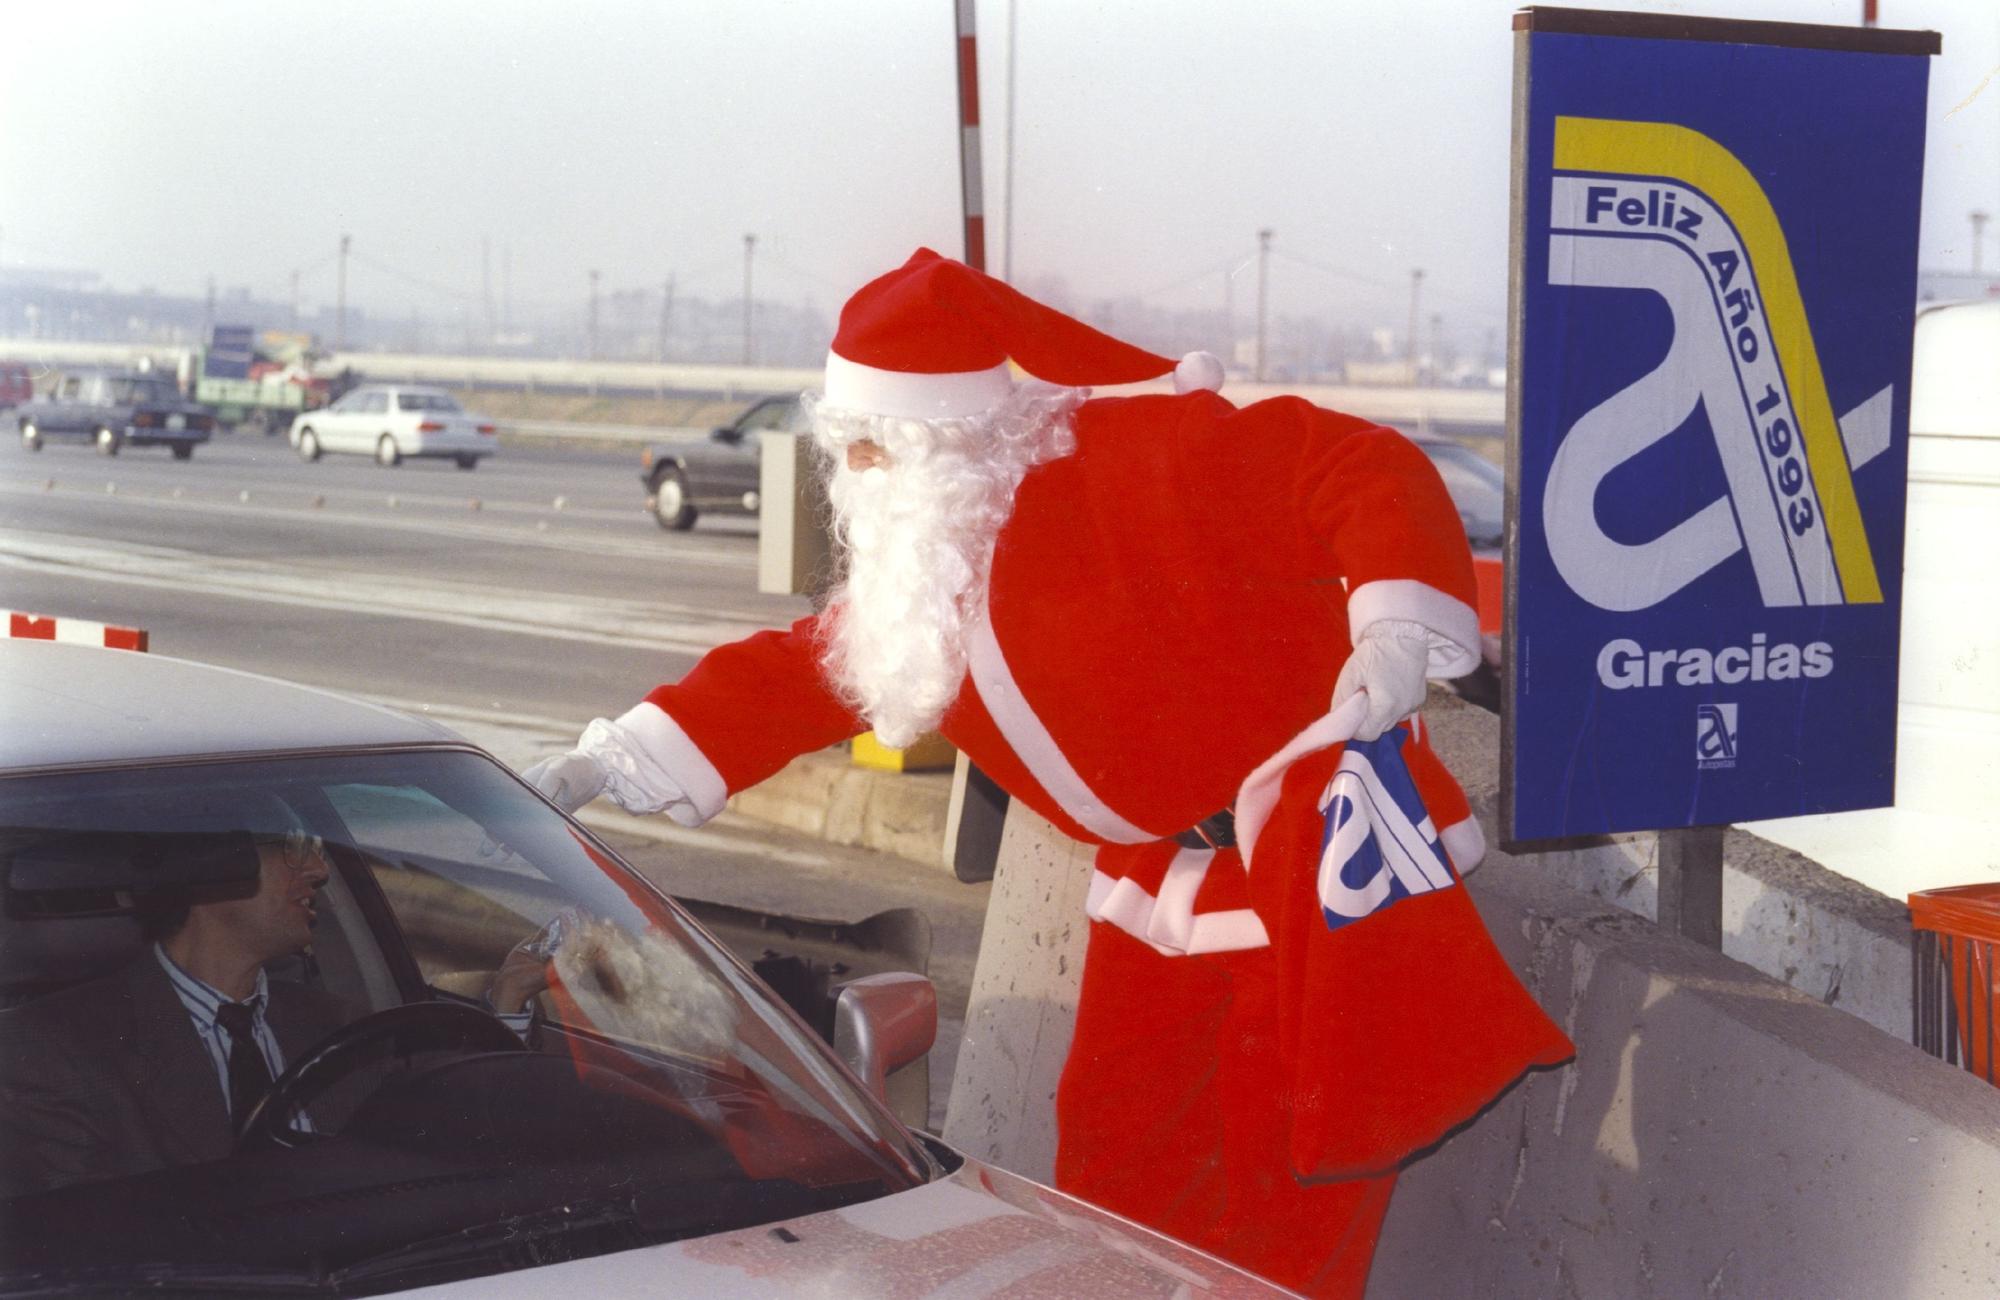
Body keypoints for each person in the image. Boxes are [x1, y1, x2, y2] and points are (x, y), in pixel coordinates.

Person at [524, 249, 1572, 1296]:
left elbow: (1356, 463)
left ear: (956, 436)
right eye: (847, 447)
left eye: (877, 445)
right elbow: (796, 673)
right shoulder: (914, 584)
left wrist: (1390, 627)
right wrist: (605, 757)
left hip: (1309, 858)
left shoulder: (1145, 455)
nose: (857, 474)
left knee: (1296, 1174)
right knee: (1114, 1159)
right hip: (1154, 883)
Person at [0, 801, 543, 1197]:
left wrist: (508, 1003)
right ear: (207, 863)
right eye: (292, 847)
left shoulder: (343, 1028)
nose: (319, 870)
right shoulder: (52, 1050)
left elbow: (452, 1134)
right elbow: (94, 1247)